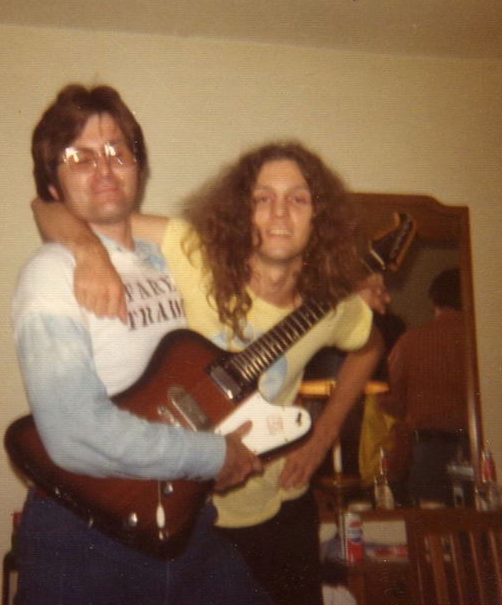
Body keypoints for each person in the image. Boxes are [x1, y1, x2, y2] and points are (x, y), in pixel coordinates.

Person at [32, 137, 385, 605]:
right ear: (241, 211)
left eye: (298, 199)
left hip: (279, 510)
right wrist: (89, 251)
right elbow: (50, 208)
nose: (280, 213)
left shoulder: (334, 305)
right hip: (191, 517)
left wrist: (323, 435)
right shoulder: (193, 251)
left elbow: (370, 348)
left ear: (319, 218)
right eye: (263, 199)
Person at [11, 84, 273, 605]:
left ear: (138, 166)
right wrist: (212, 456)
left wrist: (351, 288)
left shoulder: (168, 263)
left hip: (183, 522)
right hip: (85, 537)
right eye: (80, 158)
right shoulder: (51, 274)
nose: (104, 169)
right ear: (53, 185)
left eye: (117, 151)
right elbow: (75, 435)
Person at [377, 267, 468, 506]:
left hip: (430, 450)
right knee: (487, 522)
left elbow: (386, 398)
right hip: (481, 445)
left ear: (432, 301)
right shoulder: (481, 338)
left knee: (433, 524)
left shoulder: (412, 340)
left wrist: (411, 412)